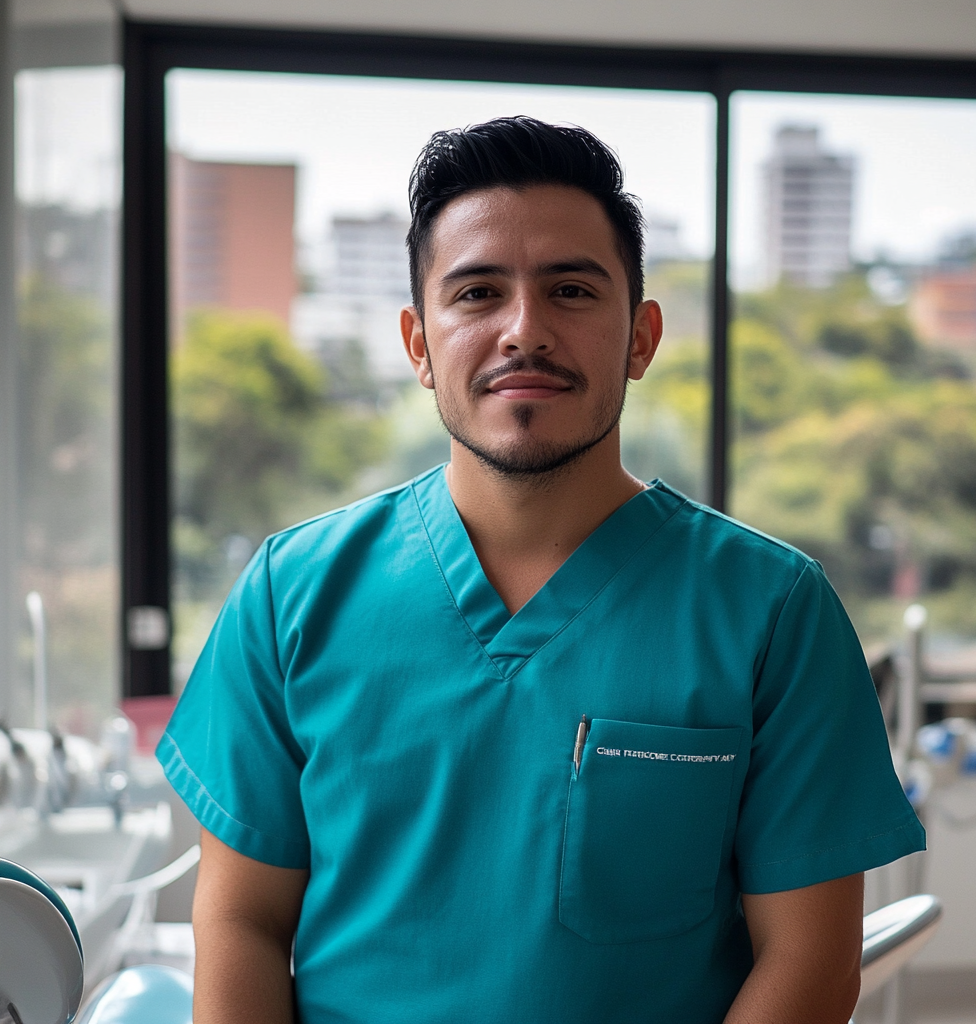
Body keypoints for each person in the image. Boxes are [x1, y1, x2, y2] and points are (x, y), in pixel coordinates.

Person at [157, 116, 925, 1024]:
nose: (525, 330)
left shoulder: (771, 612)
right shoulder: (292, 595)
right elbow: (242, 922)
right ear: (418, 345)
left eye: (570, 290)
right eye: (477, 293)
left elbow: (810, 962)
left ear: (640, 339)